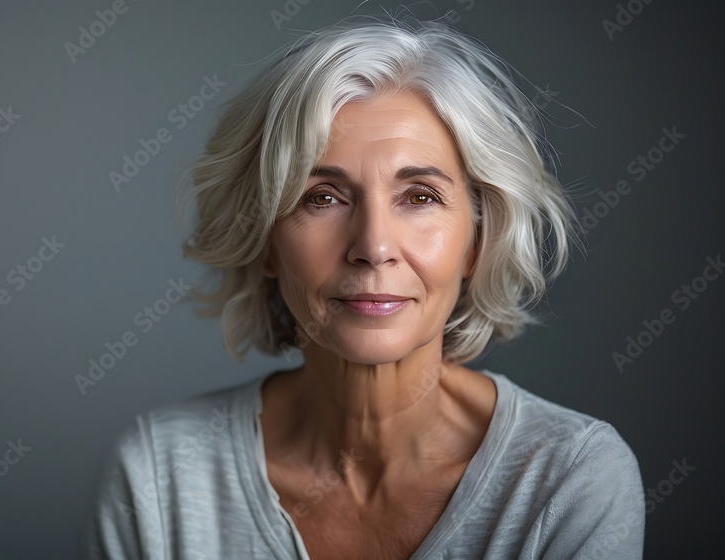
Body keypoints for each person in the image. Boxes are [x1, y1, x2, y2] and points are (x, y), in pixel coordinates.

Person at [80, 14, 644, 560]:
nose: (373, 246)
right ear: (266, 240)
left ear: (477, 239)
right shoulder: (159, 473)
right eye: (321, 197)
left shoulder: (571, 479)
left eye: (419, 196)